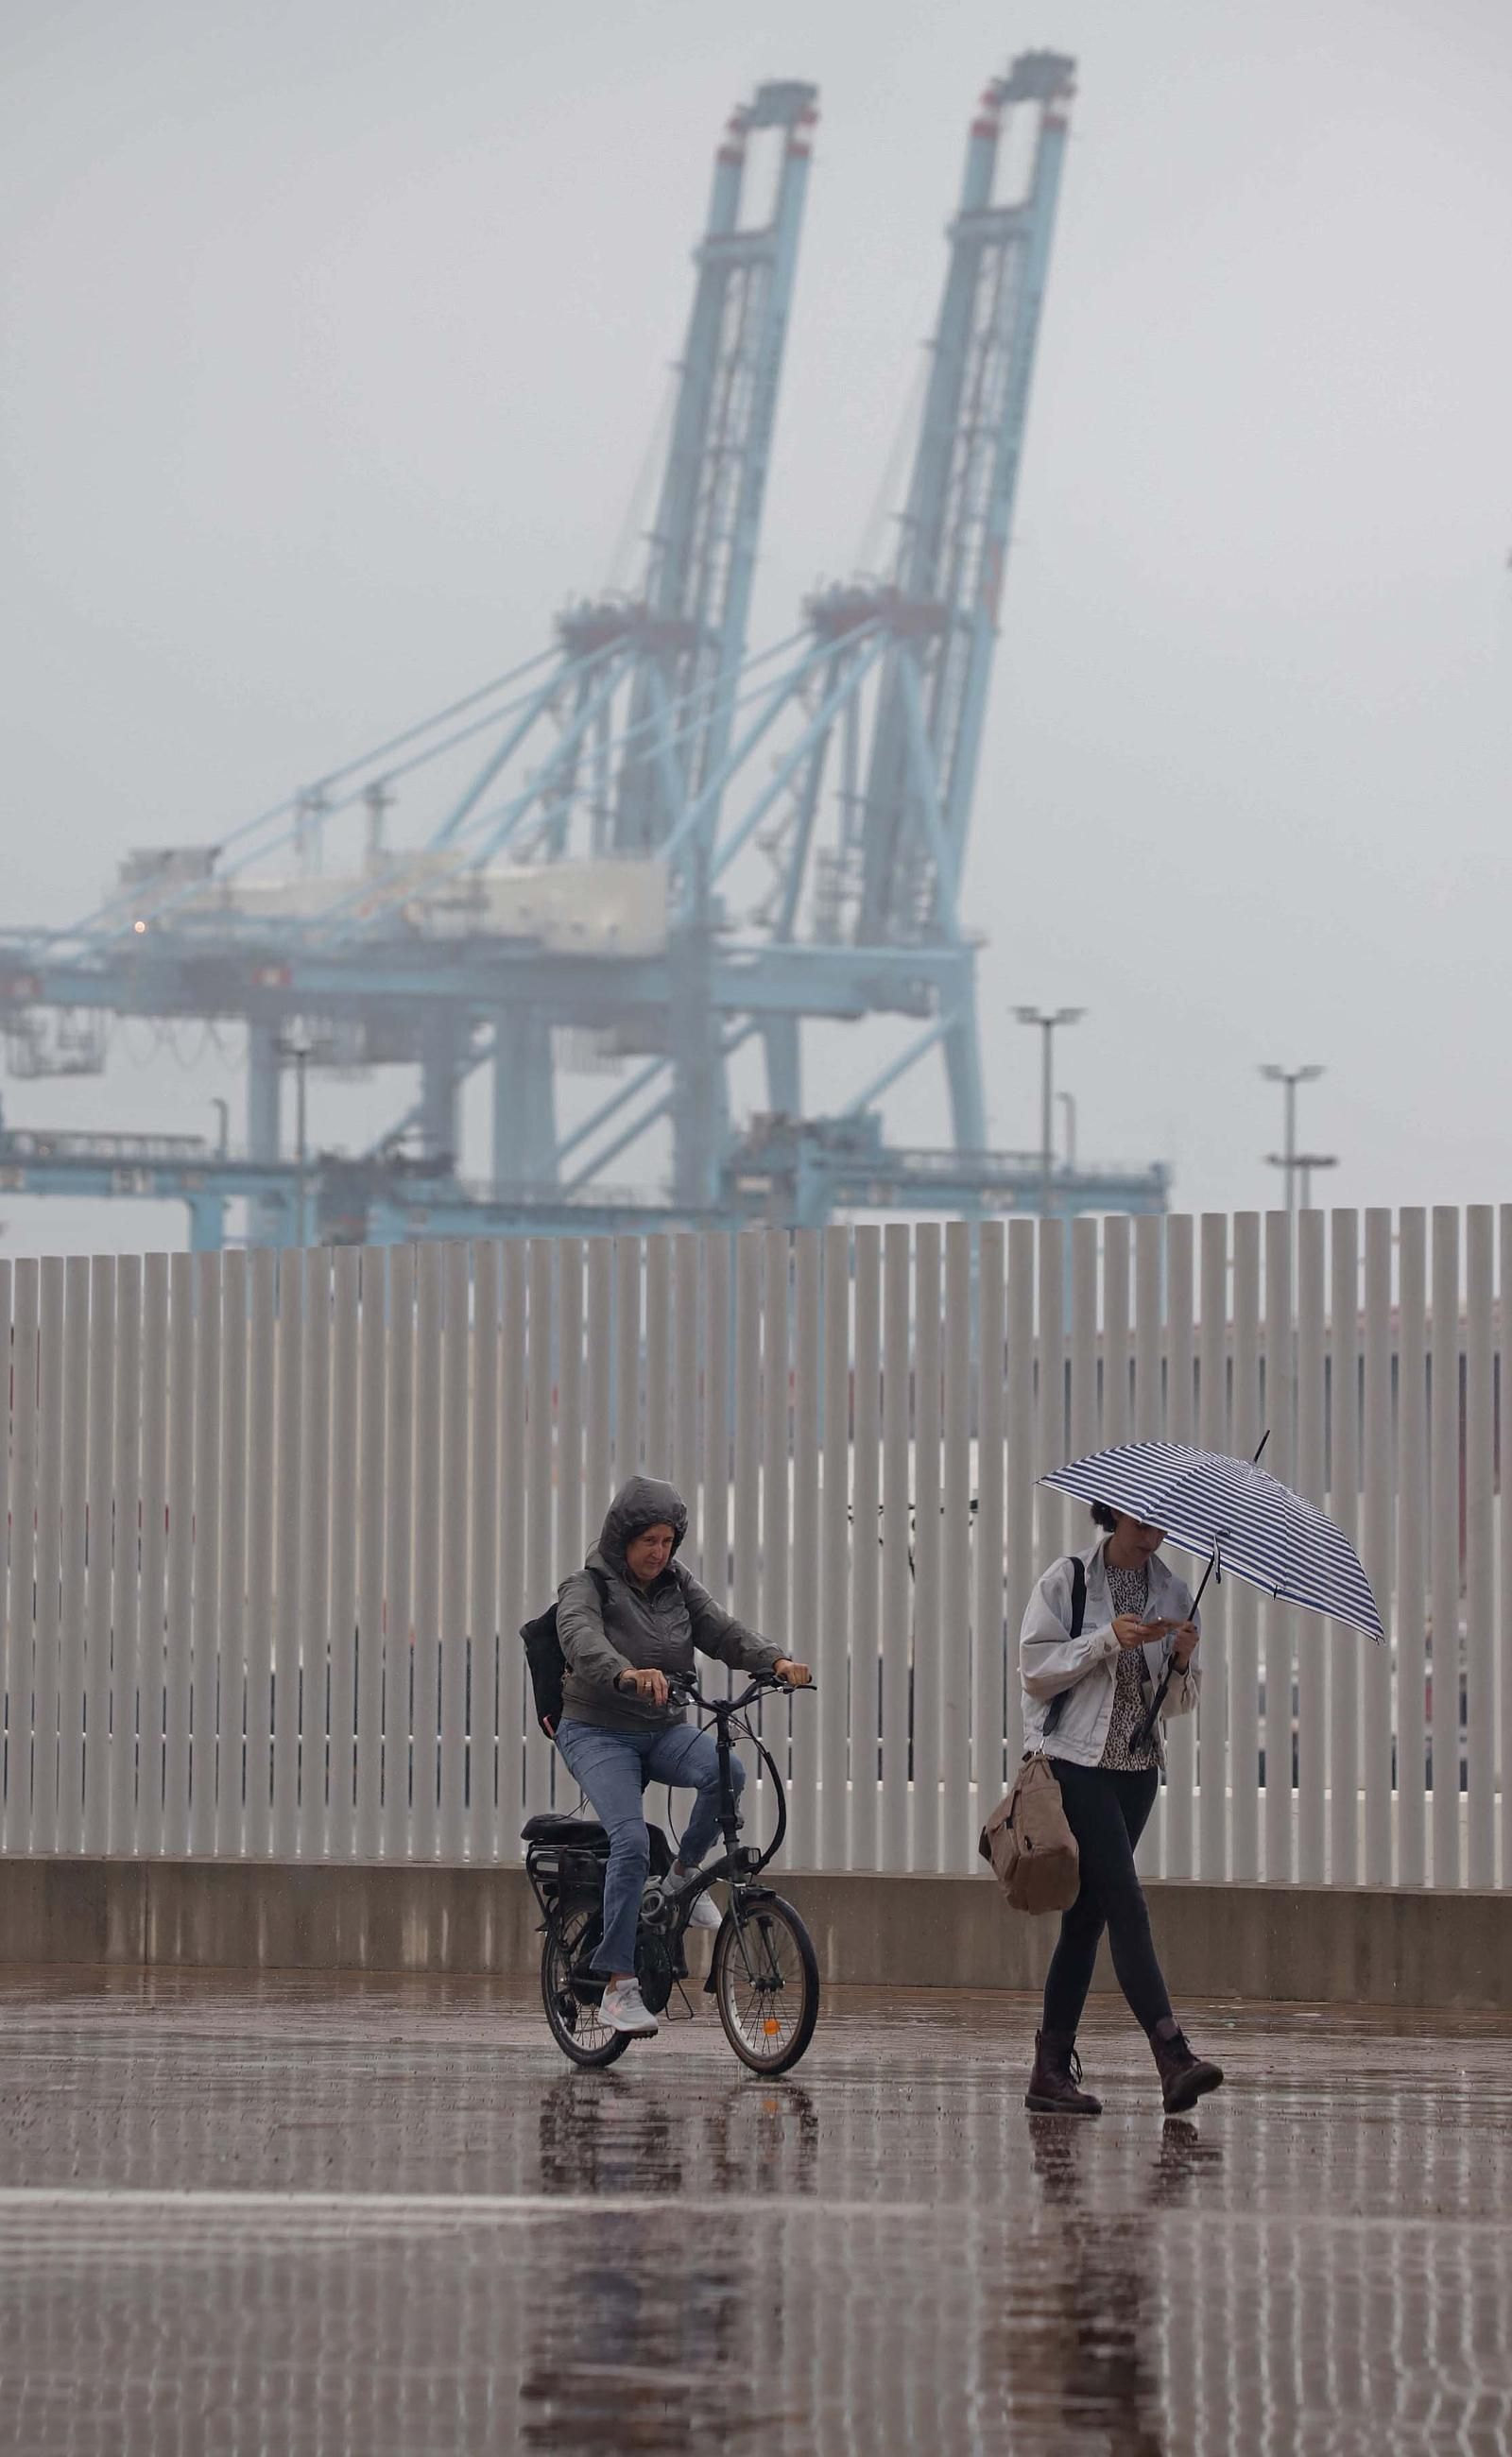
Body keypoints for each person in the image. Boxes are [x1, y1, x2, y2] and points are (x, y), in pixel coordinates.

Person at [554, 1474, 811, 2037]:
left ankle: (680, 1879)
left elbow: (721, 1631)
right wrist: (625, 1672)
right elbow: (579, 1637)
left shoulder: (678, 1585)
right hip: (597, 1731)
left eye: (668, 1541)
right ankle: (618, 1984)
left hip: (662, 1728)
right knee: (629, 1841)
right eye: (649, 1541)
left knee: (728, 1771)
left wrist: (775, 1660)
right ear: (622, 1538)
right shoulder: (585, 1585)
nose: (659, 1552)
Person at [1019, 1503, 1225, 2117]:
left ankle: (1049, 2072)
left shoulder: (1175, 1591)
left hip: (1138, 1773)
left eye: (1160, 1527)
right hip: (1076, 1766)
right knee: (1127, 1903)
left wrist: (1181, 1661)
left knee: (1087, 1921)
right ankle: (1173, 2055)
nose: (1150, 1538)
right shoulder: (1069, 1581)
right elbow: (1034, 1671)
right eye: (1140, 1525)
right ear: (1114, 1515)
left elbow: (1177, 1705)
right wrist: (1108, 1638)